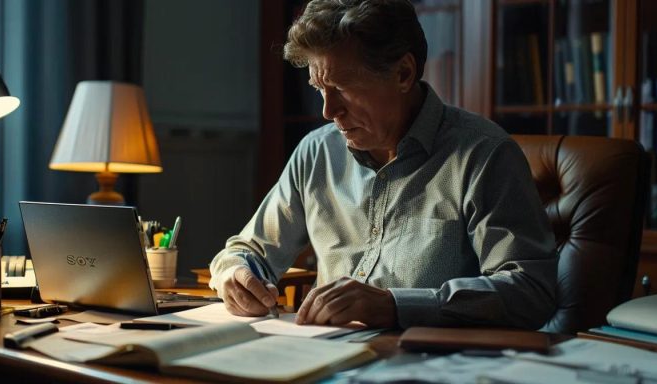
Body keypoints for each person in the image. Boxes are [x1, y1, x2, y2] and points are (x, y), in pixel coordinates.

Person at [209, 0, 558, 330]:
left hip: (428, 365)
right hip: (320, 356)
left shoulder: (484, 154)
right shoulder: (316, 153)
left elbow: (531, 291)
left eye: (342, 87)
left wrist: (395, 306)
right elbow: (247, 250)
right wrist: (236, 273)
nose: (328, 112)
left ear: (403, 73)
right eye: (319, 88)